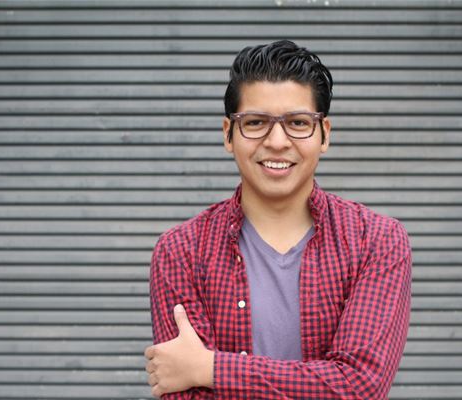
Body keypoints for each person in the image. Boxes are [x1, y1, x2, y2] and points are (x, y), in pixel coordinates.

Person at [144, 40, 412, 399]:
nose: (277, 141)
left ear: (324, 134)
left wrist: (211, 369)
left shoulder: (375, 241)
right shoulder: (181, 252)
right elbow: (187, 394)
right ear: (227, 134)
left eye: (298, 123)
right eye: (255, 122)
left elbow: (359, 386)